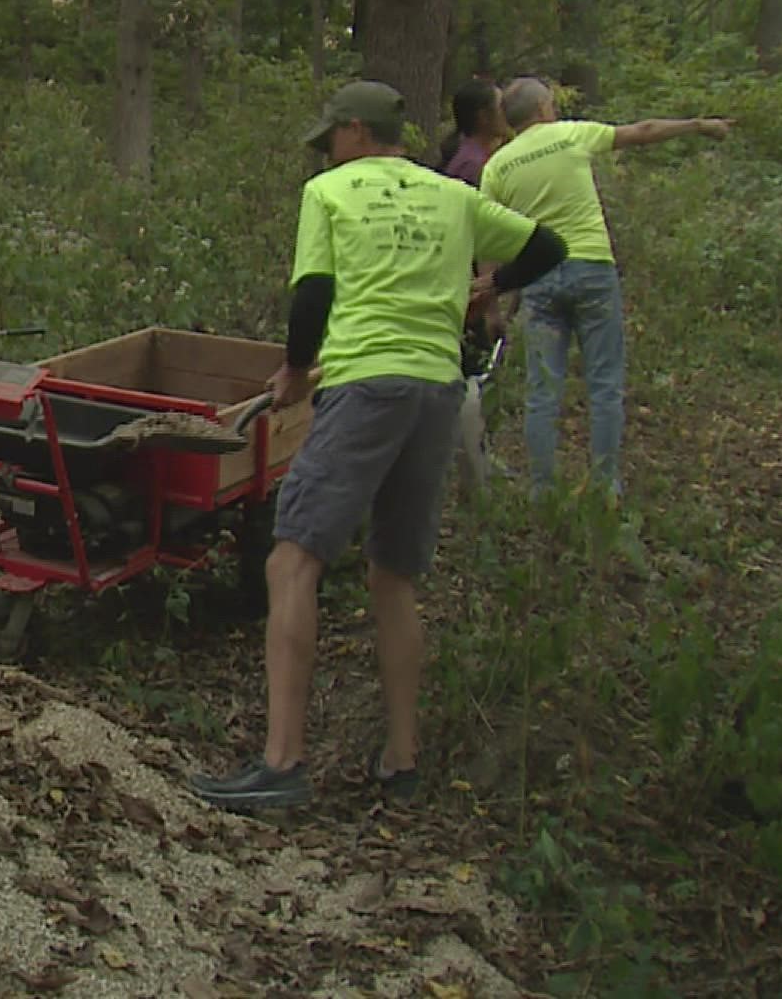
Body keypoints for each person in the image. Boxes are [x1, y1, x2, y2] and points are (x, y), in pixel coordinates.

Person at [191, 81, 568, 811]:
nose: (325, 151)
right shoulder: (451, 197)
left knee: (293, 556)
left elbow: (313, 298)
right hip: (437, 391)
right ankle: (402, 759)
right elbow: (548, 247)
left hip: (364, 384)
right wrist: (489, 287)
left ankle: (282, 763)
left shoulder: (332, 192)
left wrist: (296, 372)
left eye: (330, 136)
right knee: (395, 577)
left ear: (357, 132)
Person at [480, 76, 732, 499]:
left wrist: (490, 303)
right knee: (604, 382)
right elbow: (643, 132)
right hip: (591, 270)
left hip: (539, 279)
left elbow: (485, 236)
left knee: (543, 390)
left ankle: (542, 489)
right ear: (543, 109)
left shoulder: (498, 167)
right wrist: (698, 125)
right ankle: (604, 488)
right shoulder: (570, 135)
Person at [439, 78, 517, 490]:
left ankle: (475, 461)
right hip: (466, 291)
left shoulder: (477, 159)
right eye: (501, 106)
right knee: (468, 377)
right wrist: (490, 302)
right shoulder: (473, 168)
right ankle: (473, 475)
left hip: (467, 287)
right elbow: (476, 237)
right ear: (484, 117)